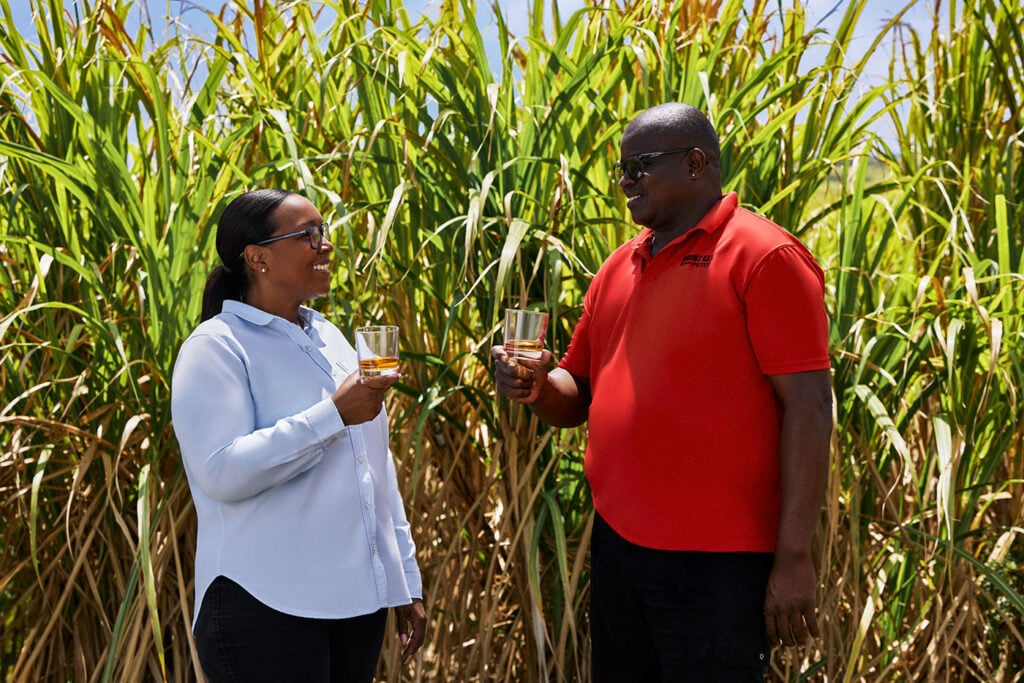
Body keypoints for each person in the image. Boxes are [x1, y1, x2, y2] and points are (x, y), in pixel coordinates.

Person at [492, 103, 833, 681]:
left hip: (719, 561)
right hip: (620, 546)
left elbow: (810, 406)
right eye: (620, 168)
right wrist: (535, 383)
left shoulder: (764, 256)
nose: (624, 181)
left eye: (640, 165)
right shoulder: (618, 267)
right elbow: (577, 393)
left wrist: (794, 559)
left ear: (696, 163)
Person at [171, 188, 426, 682]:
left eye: (324, 231)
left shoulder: (331, 337)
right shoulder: (215, 347)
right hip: (262, 607)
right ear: (257, 258)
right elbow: (221, 471)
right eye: (308, 235)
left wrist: (402, 581)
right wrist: (332, 415)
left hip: (355, 609)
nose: (325, 244)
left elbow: (373, 466)